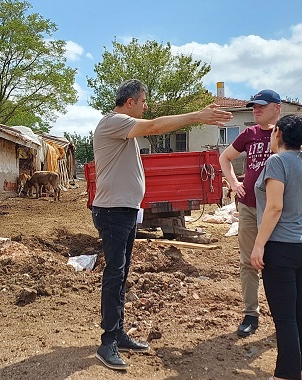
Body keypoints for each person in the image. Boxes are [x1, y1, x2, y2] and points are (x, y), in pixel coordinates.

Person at [91, 79, 233, 371]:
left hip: (125, 211)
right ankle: (107, 342)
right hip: (114, 212)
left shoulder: (123, 129)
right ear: (129, 101)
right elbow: (155, 126)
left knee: (121, 272)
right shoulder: (115, 122)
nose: (146, 106)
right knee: (115, 274)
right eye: (143, 101)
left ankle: (117, 332)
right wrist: (195, 116)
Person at [219, 89, 302, 338]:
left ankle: (287, 320)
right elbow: (225, 158)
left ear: (277, 108)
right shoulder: (248, 134)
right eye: (254, 106)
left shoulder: (289, 133)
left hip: (279, 214)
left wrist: (301, 188)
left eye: (261, 106)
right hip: (250, 208)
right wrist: (233, 183)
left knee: (280, 265)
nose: (255, 110)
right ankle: (251, 314)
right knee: (249, 262)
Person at [251, 114, 302, 380]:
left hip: (282, 247)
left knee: (285, 319)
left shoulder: (277, 161)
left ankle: (284, 376)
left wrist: (259, 245)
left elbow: (275, 207)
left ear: (279, 132)